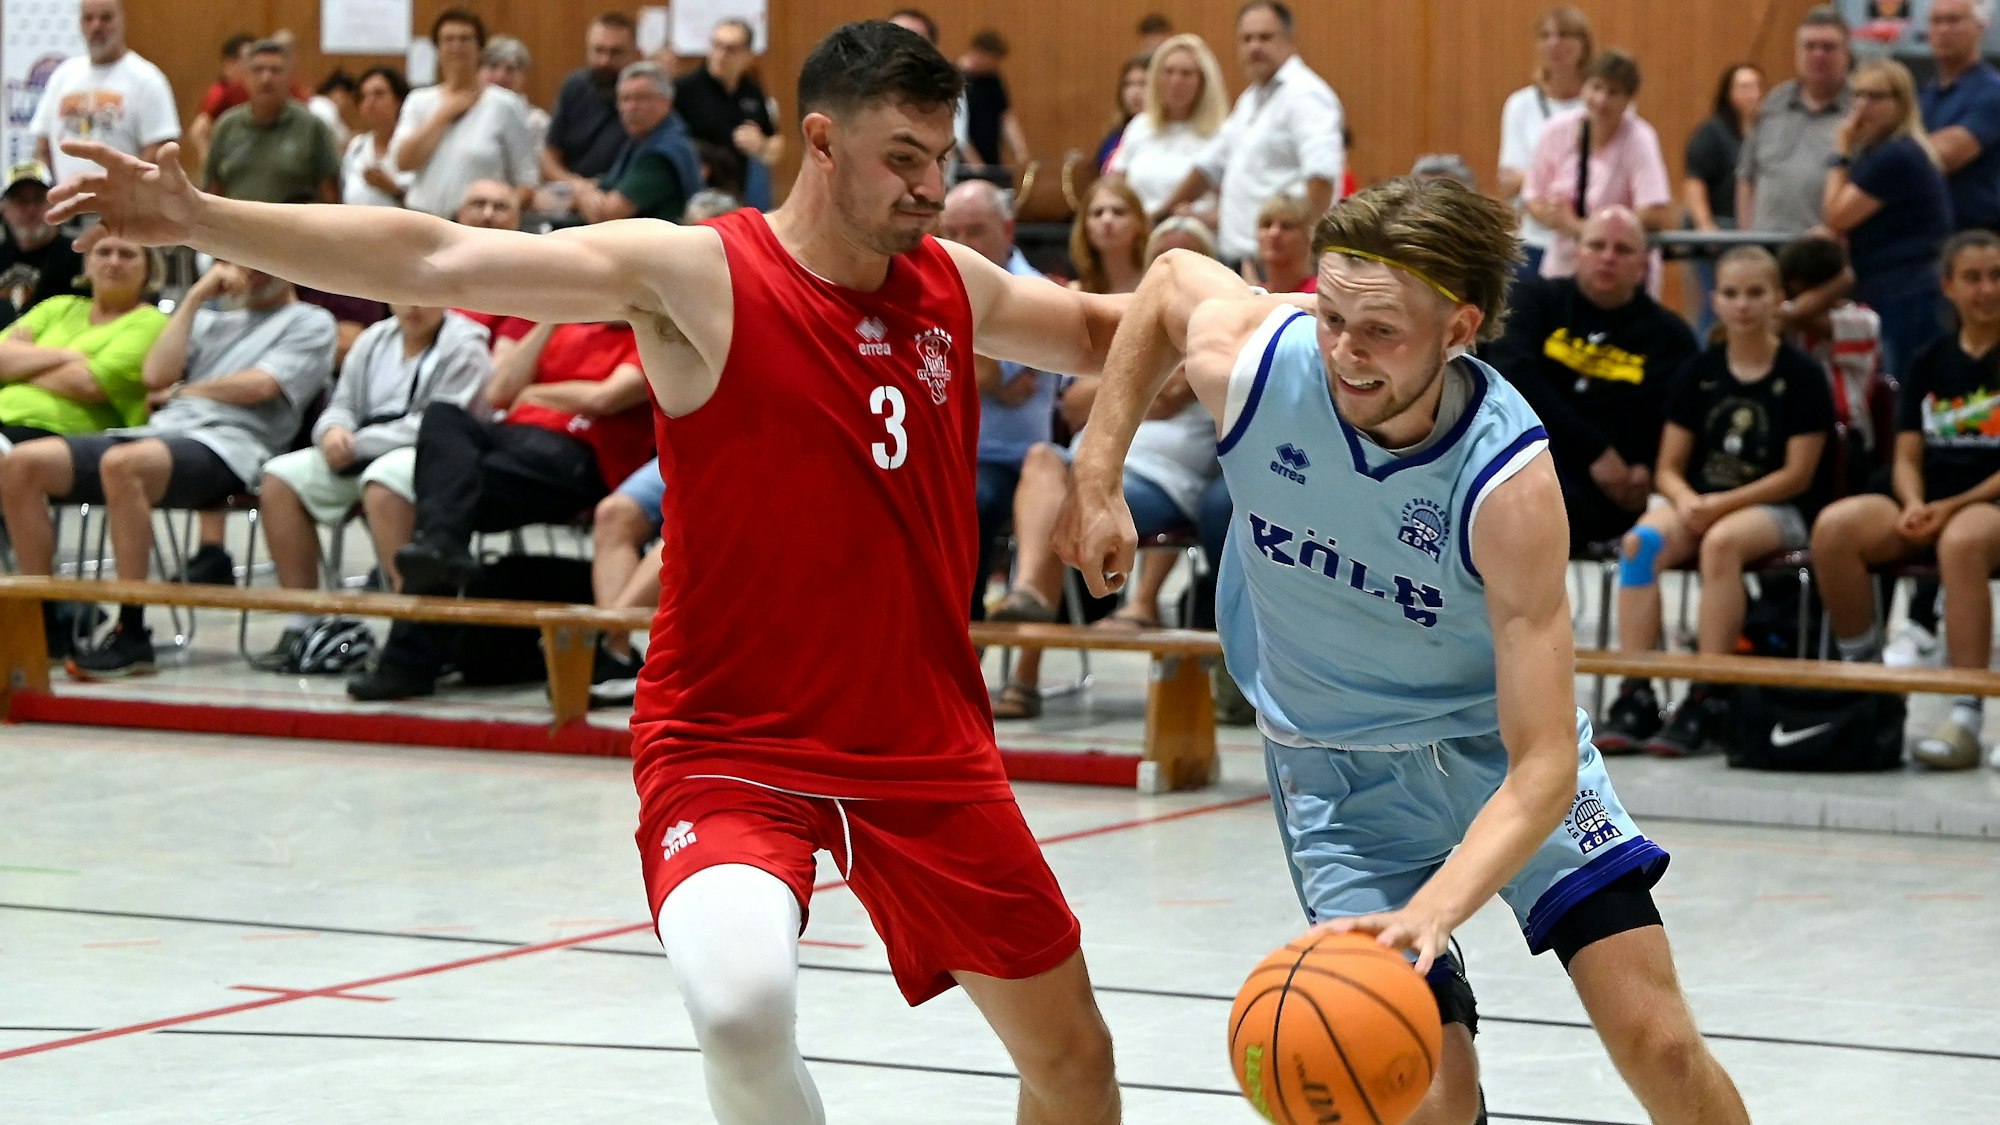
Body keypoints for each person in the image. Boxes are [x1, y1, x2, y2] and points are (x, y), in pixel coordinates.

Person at [52, 22, 1130, 1121]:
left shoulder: (950, 283)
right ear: (818, 142)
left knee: (1074, 1066)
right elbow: (431, 256)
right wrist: (200, 217)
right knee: (741, 1003)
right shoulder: (697, 273)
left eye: (942, 158)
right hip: (731, 743)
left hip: (921, 744)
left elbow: (1106, 331)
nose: (931, 187)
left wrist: (1270, 319)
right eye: (903, 157)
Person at [1054, 175, 1749, 1125]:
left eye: (1379, 330)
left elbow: (1544, 762)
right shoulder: (1267, 368)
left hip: (1494, 762)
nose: (1343, 351)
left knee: (1659, 1045)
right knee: (1426, 1092)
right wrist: (1098, 472)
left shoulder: (1508, 483)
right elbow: (1171, 280)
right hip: (1341, 781)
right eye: (1330, 314)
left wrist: (1437, 910)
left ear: (1460, 326)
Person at [0, 260, 335, 677]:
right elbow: (155, 374)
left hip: (232, 444)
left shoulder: (311, 322)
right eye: (241, 260)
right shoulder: (210, 320)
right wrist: (194, 298)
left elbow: (260, 386)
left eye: (265, 261)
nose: (253, 271)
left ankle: (132, 631)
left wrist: (182, 390)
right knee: (22, 464)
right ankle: (43, 623)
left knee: (124, 466)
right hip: (159, 431)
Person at [1595, 247, 1834, 757]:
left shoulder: (1803, 375)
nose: (1742, 304)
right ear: (1714, 300)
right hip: (1701, 502)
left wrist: (1718, 507)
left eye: (1755, 293)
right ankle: (1636, 691)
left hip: (1774, 509)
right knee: (1639, 543)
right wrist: (1684, 499)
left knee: (1721, 545)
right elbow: (1668, 467)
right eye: (1730, 293)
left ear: (1778, 299)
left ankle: (1707, 690)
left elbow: (1797, 474)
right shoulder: (1697, 372)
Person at [1812, 230, 2000, 771]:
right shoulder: (1929, 358)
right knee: (1835, 529)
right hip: (1928, 499)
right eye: (1972, 277)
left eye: (1995, 277)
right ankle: (1867, 684)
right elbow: (1908, 454)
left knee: (1961, 543)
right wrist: (1917, 501)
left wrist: (1950, 507)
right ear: (1948, 286)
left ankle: (1965, 709)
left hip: (1987, 504)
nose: (1985, 289)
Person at [250, 304, 492, 667]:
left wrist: (359, 443)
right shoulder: (373, 340)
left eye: (424, 296)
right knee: (279, 477)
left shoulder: (466, 344)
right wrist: (332, 432)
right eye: (402, 295)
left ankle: (411, 631)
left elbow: (442, 423)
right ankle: (302, 621)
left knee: (383, 481)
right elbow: (342, 404)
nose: (412, 306)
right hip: (358, 446)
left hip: (431, 454)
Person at [1479, 207, 1700, 551]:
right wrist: (1595, 452)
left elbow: (1672, 415)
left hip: (1614, 490)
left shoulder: (1671, 337)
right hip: (1530, 459)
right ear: (1576, 252)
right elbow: (1516, 382)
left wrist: (1645, 465)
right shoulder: (1533, 301)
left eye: (1623, 250)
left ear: (1643, 262)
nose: (1608, 258)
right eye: (1597, 245)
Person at [937, 179, 1059, 622]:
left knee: (968, 498)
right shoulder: (937, 283)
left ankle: (961, 637)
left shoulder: (1035, 292)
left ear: (1008, 230)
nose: (960, 244)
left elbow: (982, 373)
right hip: (943, 453)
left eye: (975, 231)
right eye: (950, 232)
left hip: (1008, 462)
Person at [1157, 1, 1343, 265]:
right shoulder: (1251, 99)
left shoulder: (1306, 95)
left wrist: (1307, 253)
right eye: (1247, 39)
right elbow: (1209, 166)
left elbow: (1322, 179)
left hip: (1281, 263)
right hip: (1238, 257)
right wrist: (1161, 215)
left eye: (1265, 37)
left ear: (1290, 40)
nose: (1255, 46)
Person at [1823, 58, 1954, 379]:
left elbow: (1836, 216)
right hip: (1895, 288)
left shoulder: (1897, 155)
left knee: (1904, 391)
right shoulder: (1884, 152)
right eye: (1857, 95)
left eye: (1875, 97)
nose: (1862, 106)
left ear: (1901, 102)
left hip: (1907, 294)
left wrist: (1839, 152)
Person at [0, 233, 164, 452]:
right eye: (103, 252)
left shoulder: (151, 321)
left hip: (66, 435)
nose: (113, 262)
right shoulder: (58, 306)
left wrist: (22, 362)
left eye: (127, 254)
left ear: (148, 269)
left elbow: (88, 384)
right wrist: (67, 356)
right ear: (87, 263)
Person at [1522, 49, 1674, 285]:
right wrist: (1552, 215)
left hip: (1620, 277)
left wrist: (1579, 228)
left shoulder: (1639, 139)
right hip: (1565, 266)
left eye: (1613, 93)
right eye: (1596, 87)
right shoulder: (1556, 130)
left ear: (1629, 100)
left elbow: (1654, 214)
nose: (1601, 100)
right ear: (1583, 88)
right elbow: (1533, 196)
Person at [391, 9, 538, 217]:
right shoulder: (419, 101)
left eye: (465, 39)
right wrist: (444, 114)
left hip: (481, 226)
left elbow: (527, 178)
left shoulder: (504, 104)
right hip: (424, 218)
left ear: (480, 48)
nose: (456, 46)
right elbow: (403, 162)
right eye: (448, 39)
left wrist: (501, 212)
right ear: (438, 48)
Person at [28, 0, 180, 186]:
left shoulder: (147, 79)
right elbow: (42, 147)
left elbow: (159, 151)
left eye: (105, 18)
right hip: (65, 206)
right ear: (80, 23)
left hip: (125, 208)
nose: (96, 26)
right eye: (88, 18)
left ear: (122, 21)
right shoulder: (62, 76)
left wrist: (126, 193)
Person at [1738, 5, 1854, 236]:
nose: (1818, 54)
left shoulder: (1858, 111)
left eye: (1828, 47)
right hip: (1765, 249)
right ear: (1797, 52)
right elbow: (1746, 177)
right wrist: (1746, 238)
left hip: (1822, 255)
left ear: (1846, 53)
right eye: (1809, 46)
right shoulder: (1773, 104)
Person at [1497, 6, 1593, 283]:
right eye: (1546, 35)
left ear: (1583, 45)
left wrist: (1538, 180)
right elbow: (1508, 181)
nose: (1555, 43)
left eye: (1564, 35)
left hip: (1588, 239)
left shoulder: (1600, 101)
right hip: (1536, 238)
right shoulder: (1521, 104)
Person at [202, 40, 341, 205]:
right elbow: (213, 189)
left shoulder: (312, 127)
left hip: (292, 228)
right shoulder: (227, 126)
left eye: (275, 70)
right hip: (237, 228)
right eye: (258, 70)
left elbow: (331, 195)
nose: (266, 78)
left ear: (289, 78)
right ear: (245, 77)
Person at [1107, 34, 1228, 220]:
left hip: (1190, 230)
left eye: (1186, 74)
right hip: (1138, 228)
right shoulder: (1140, 126)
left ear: (1203, 81)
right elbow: (1114, 186)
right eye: (1168, 72)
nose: (1175, 81)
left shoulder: (1221, 134)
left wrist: (1197, 217)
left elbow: (1234, 209)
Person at [1684, 64, 1766, 335]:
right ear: (1728, 93)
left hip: (1755, 232)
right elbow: (1695, 182)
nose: (1749, 93)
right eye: (1742, 87)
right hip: (1719, 232)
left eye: (1754, 86)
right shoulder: (1712, 133)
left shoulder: (1767, 133)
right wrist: (1706, 228)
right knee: (1715, 306)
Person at [573, 63, 704, 224]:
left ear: (667, 102)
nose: (631, 107)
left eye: (642, 98)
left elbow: (608, 214)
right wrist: (585, 189)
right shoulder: (642, 140)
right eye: (624, 99)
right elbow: (610, 182)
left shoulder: (662, 153)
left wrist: (580, 195)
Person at [674, 18, 784, 204]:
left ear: (748, 54)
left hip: (738, 188)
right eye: (716, 45)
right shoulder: (685, 89)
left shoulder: (751, 89)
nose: (721, 55)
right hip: (696, 191)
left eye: (731, 49)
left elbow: (776, 142)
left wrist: (762, 145)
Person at [1920, 0, 2000, 235]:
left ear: (1980, 27)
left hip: (1975, 238)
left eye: (1954, 20)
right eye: (1937, 21)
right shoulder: (1925, 94)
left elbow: (1944, 157)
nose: (1944, 29)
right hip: (1925, 234)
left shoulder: (1992, 91)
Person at [541, 13, 643, 195]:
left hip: (625, 197)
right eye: (598, 51)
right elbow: (549, 157)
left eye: (615, 52)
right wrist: (578, 186)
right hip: (573, 194)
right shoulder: (575, 86)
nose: (605, 61)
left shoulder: (649, 96)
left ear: (637, 55)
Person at [1, 162, 86, 331]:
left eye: (39, 199)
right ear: (4, 208)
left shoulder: (79, 256)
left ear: (55, 204)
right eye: (21, 201)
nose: (31, 209)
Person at [341, 68, 414, 208]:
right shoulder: (357, 146)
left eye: (379, 94)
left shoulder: (411, 145)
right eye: (363, 97)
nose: (370, 102)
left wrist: (393, 190)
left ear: (399, 100)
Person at [185, 34, 255, 173]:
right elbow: (197, 132)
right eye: (248, 59)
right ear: (230, 63)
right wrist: (210, 167)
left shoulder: (250, 91)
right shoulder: (220, 93)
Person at [480, 37, 549, 147]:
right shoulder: (465, 116)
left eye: (510, 69)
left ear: (522, 76)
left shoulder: (537, 122)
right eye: (493, 66)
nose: (500, 76)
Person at [1242, 193, 1317, 294]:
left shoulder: (1320, 296)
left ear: (1307, 237)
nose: (1274, 233)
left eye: (1287, 226)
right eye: (1267, 225)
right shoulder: (1253, 295)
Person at [1094, 54, 1151, 174]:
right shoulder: (1115, 135)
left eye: (1143, 84)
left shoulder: (1162, 135)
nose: (1134, 92)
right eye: (1128, 84)